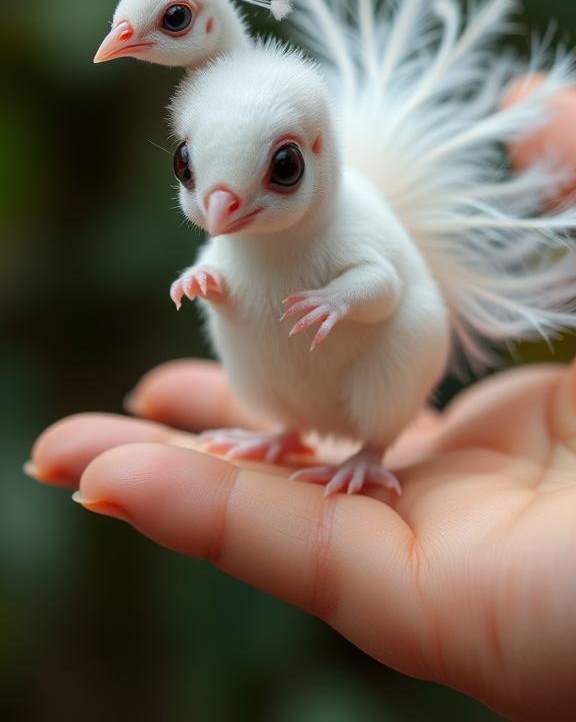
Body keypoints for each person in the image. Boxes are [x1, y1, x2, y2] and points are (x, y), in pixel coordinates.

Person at [25, 83, 576, 722]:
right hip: (286, 379)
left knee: (408, 327)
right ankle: (284, 427)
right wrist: (209, 279)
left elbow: (387, 285)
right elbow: (226, 261)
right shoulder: (235, 223)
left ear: (315, 155)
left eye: (283, 171)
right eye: (189, 169)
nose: (220, 208)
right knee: (235, 333)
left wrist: (343, 297)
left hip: (372, 360)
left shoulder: (351, 219)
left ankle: (372, 446)